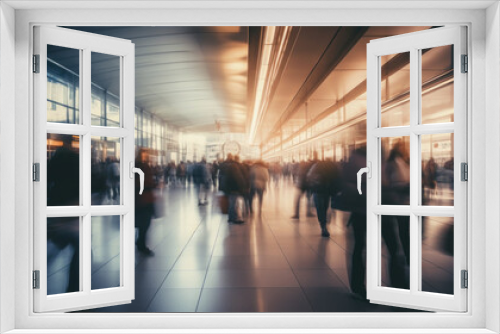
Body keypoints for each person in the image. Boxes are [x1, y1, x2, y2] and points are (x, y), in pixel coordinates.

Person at [47, 145, 80, 293]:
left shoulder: (53, 164)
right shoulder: (76, 163)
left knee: (55, 244)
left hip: (57, 208)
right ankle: (74, 288)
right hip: (73, 209)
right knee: (81, 251)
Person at [306, 158, 341, 237]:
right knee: (324, 207)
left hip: (317, 190)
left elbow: (309, 176)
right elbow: (337, 178)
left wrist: (311, 187)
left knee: (320, 208)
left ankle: (323, 225)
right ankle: (324, 224)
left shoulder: (316, 166)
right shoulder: (332, 166)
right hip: (326, 191)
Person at [135, 148, 156, 256]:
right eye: (144, 154)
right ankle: (141, 244)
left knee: (144, 222)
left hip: (144, 198)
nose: (146, 156)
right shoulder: (140, 166)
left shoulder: (142, 165)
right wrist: (152, 184)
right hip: (143, 199)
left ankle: (140, 241)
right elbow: (142, 183)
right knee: (144, 222)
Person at [218, 153, 246, 224]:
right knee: (234, 202)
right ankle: (234, 218)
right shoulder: (234, 166)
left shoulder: (223, 164)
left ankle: (231, 218)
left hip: (227, 186)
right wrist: (242, 187)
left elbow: (221, 176)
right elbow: (238, 178)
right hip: (234, 187)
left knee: (232, 202)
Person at [292, 153, 318, 219]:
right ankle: (308, 213)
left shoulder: (302, 167)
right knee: (308, 199)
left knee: (298, 200)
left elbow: (299, 176)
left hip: (302, 185)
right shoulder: (310, 166)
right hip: (307, 185)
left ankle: (297, 214)